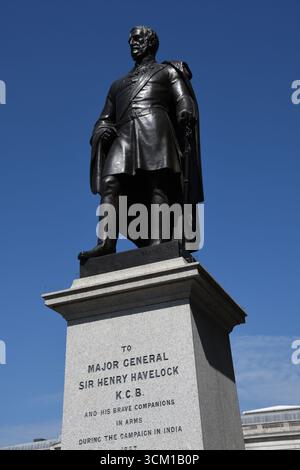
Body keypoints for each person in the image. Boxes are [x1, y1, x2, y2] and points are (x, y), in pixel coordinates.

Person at [79, 25, 203, 259]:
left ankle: (158, 240)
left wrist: (186, 109)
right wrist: (102, 129)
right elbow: (104, 118)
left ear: (150, 42)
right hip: (124, 135)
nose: (132, 43)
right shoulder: (117, 85)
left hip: (155, 128)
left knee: (157, 182)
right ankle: (106, 241)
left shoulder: (166, 72)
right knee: (110, 181)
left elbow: (182, 97)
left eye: (136, 38)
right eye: (130, 40)